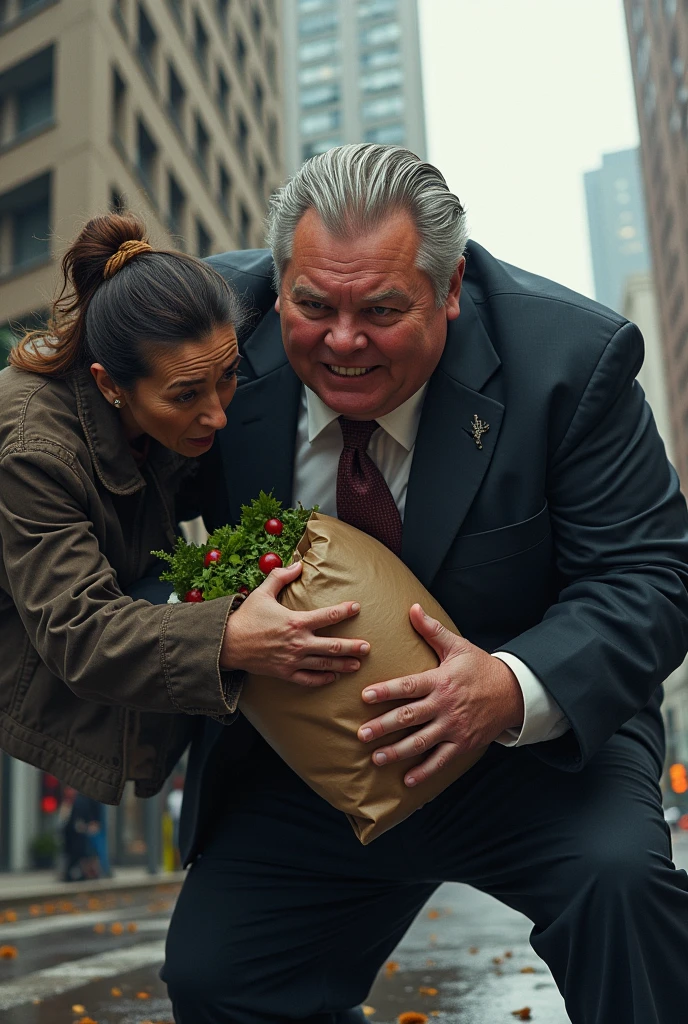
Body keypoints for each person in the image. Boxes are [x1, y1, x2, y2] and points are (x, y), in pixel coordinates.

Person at [160, 145, 688, 1024]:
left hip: (533, 753)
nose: (341, 341)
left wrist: (507, 687)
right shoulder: (201, 331)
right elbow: (85, 511)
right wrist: (203, 635)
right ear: (278, 282)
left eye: (381, 310)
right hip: (306, 766)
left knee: (622, 891)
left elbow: (650, 575)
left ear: (451, 288)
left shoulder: (573, 361)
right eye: (313, 304)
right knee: (216, 977)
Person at [0, 213, 369, 816]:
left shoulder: (183, 392)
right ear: (110, 384)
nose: (218, 415)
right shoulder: (31, 451)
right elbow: (80, 634)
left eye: (227, 379)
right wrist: (228, 637)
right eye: (185, 395)